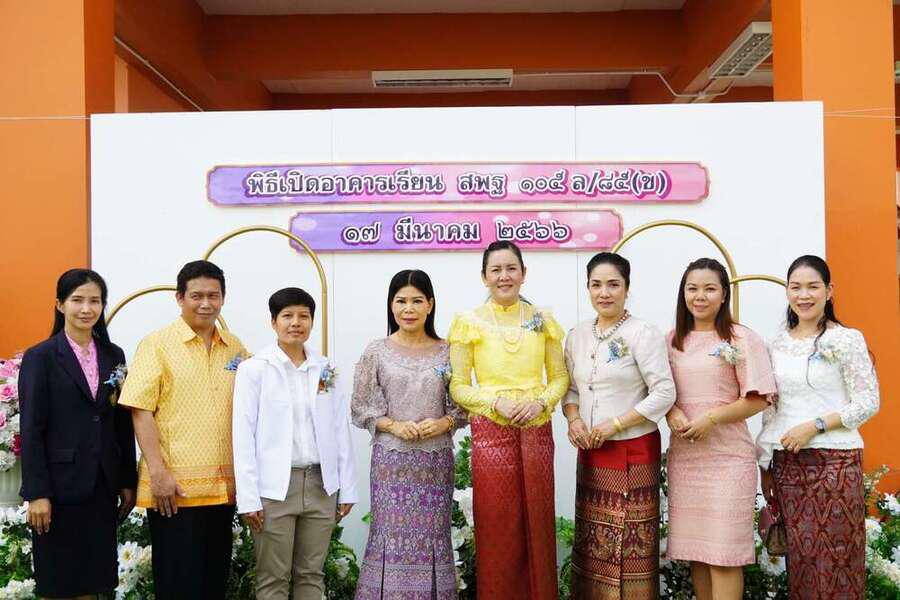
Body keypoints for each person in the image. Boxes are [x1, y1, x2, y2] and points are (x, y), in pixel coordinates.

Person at [118, 260, 247, 599]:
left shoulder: (235, 347)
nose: (206, 303)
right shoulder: (157, 344)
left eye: (213, 296)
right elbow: (140, 410)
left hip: (224, 487)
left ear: (223, 298)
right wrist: (158, 472)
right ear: (180, 298)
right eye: (196, 296)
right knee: (179, 584)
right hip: (174, 490)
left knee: (213, 582)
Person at [448, 241, 568, 600]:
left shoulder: (542, 320)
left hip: (536, 427)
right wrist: (494, 402)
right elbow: (458, 385)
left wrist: (540, 402)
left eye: (511, 268)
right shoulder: (468, 322)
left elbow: (559, 377)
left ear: (524, 273)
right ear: (484, 276)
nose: (504, 276)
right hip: (491, 432)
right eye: (496, 270)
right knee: (498, 525)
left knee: (538, 521)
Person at [757, 255, 879, 599]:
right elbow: (771, 408)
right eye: (796, 287)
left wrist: (815, 426)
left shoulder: (847, 339)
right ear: (787, 292)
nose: (804, 295)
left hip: (835, 463)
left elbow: (868, 401)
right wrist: (765, 463)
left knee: (839, 560)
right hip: (787, 465)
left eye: (813, 287)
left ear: (829, 291)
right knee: (803, 562)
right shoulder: (776, 343)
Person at [232, 287, 357, 600]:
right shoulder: (254, 369)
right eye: (287, 316)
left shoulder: (325, 369)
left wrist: (347, 487)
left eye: (304, 316)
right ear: (273, 322)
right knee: (272, 577)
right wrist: (249, 498)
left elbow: (339, 428)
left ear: (312, 321)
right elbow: (243, 435)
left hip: (320, 485)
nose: (296, 323)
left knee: (312, 575)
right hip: (274, 489)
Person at [18, 269, 137, 599]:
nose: (87, 309)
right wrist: (37, 493)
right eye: (77, 300)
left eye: (95, 301)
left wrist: (127, 479)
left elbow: (121, 422)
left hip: (102, 486)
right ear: (60, 305)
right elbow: (31, 429)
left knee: (94, 580)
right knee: (60, 582)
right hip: (58, 490)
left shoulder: (114, 355)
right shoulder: (40, 357)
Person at [562, 252, 675, 599]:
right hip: (592, 451)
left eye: (613, 284)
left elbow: (664, 392)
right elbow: (571, 388)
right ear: (587, 288)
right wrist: (573, 419)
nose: (604, 293)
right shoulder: (577, 335)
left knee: (630, 544)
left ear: (627, 288)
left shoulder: (643, 333)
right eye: (596, 285)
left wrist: (614, 425)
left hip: (633, 449)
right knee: (594, 542)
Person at [664, 258, 776, 600]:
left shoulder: (742, 338)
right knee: (698, 554)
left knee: (724, 557)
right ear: (683, 293)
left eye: (709, 288)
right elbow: (659, 392)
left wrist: (711, 418)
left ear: (724, 294)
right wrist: (671, 412)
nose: (700, 296)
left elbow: (759, 398)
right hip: (687, 460)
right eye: (692, 288)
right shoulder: (671, 340)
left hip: (728, 460)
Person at [352, 270, 467, 600]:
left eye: (417, 301)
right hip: (391, 465)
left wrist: (444, 423)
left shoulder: (449, 352)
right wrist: (394, 425)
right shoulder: (376, 352)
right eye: (401, 301)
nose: (408, 308)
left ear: (430, 304)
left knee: (434, 536)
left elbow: (463, 406)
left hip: (434, 465)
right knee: (389, 535)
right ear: (391, 305)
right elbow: (360, 407)